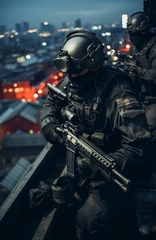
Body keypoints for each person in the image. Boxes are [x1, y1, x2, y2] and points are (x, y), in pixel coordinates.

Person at [40, 28, 154, 240]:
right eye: (69, 73)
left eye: (77, 72)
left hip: (111, 166)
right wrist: (51, 129)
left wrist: (100, 164)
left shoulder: (117, 89)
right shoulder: (71, 79)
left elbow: (140, 148)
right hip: (80, 160)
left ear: (92, 63)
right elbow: (50, 105)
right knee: (58, 197)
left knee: (90, 220)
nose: (72, 77)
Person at [126, 11, 156, 138]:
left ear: (143, 32)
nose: (131, 37)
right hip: (141, 98)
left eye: (134, 34)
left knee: (144, 134)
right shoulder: (139, 47)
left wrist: (136, 70)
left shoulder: (154, 47)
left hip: (153, 101)